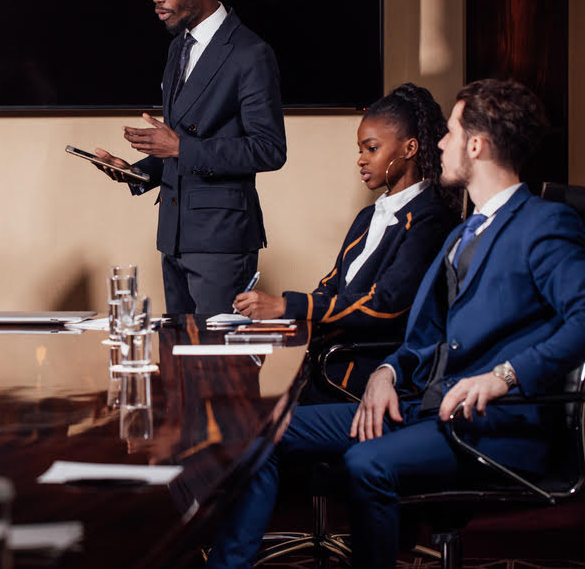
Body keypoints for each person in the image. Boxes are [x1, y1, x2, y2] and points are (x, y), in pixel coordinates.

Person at [206, 79, 585, 568]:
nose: (441, 143)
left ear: (477, 144)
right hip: (425, 406)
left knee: (366, 462)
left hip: (495, 426)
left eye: (449, 132)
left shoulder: (543, 223)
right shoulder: (467, 230)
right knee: (263, 430)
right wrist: (387, 373)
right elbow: (424, 336)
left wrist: (504, 376)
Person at [93, 0, 286, 314]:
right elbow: (178, 147)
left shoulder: (250, 53)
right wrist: (136, 171)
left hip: (222, 241)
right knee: (180, 360)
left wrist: (181, 146)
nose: (157, 0)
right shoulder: (177, 48)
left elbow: (269, 149)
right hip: (174, 236)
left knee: (217, 366)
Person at [234, 83, 459, 396]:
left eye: (372, 149)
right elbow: (331, 285)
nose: (361, 160)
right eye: (360, 150)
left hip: (364, 371)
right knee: (237, 389)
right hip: (326, 363)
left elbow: (385, 306)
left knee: (257, 414)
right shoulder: (368, 217)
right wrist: (282, 319)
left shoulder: (430, 219)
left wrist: (287, 304)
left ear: (409, 148)